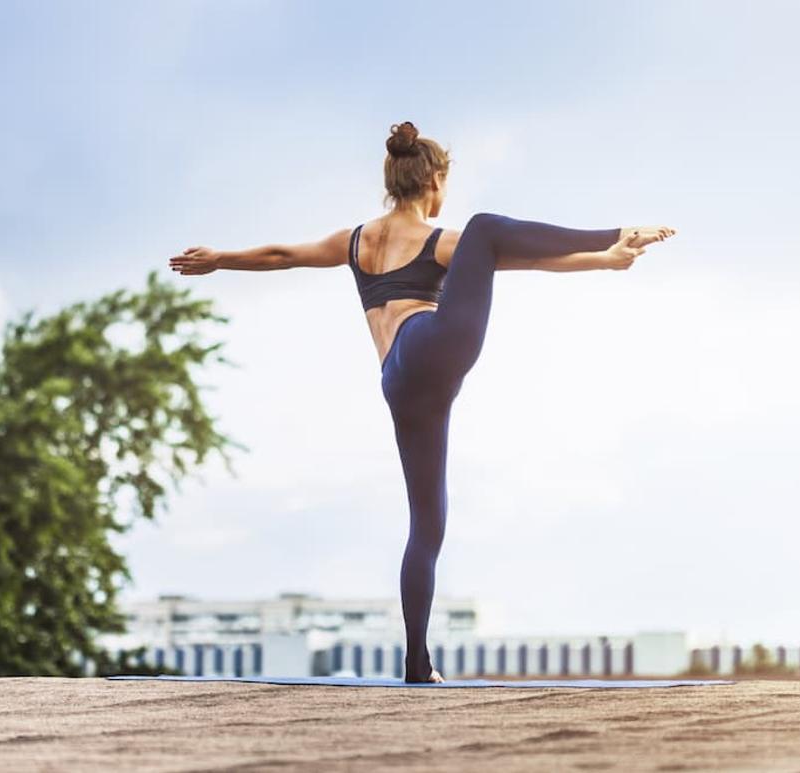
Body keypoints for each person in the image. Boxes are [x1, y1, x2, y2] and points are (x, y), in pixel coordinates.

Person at [168, 121, 676, 683]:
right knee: (486, 228)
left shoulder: (354, 240)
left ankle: (417, 663)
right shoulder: (445, 241)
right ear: (434, 179)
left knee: (427, 523)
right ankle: (617, 225)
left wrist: (220, 259)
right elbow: (516, 254)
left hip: (399, 381)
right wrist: (609, 246)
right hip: (428, 349)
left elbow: (281, 254)